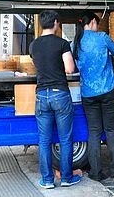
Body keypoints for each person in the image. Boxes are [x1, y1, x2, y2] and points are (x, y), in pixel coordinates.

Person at [29, 10, 82, 189]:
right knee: (65, 138)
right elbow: (69, 68)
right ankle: (66, 178)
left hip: (42, 95)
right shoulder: (62, 43)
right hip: (60, 93)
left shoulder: (33, 45)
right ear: (56, 23)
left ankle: (47, 180)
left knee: (44, 140)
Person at [72, 11, 114, 180]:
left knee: (94, 132)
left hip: (88, 93)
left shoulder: (77, 42)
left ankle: (96, 172)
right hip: (108, 90)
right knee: (111, 130)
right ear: (93, 22)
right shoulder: (102, 37)